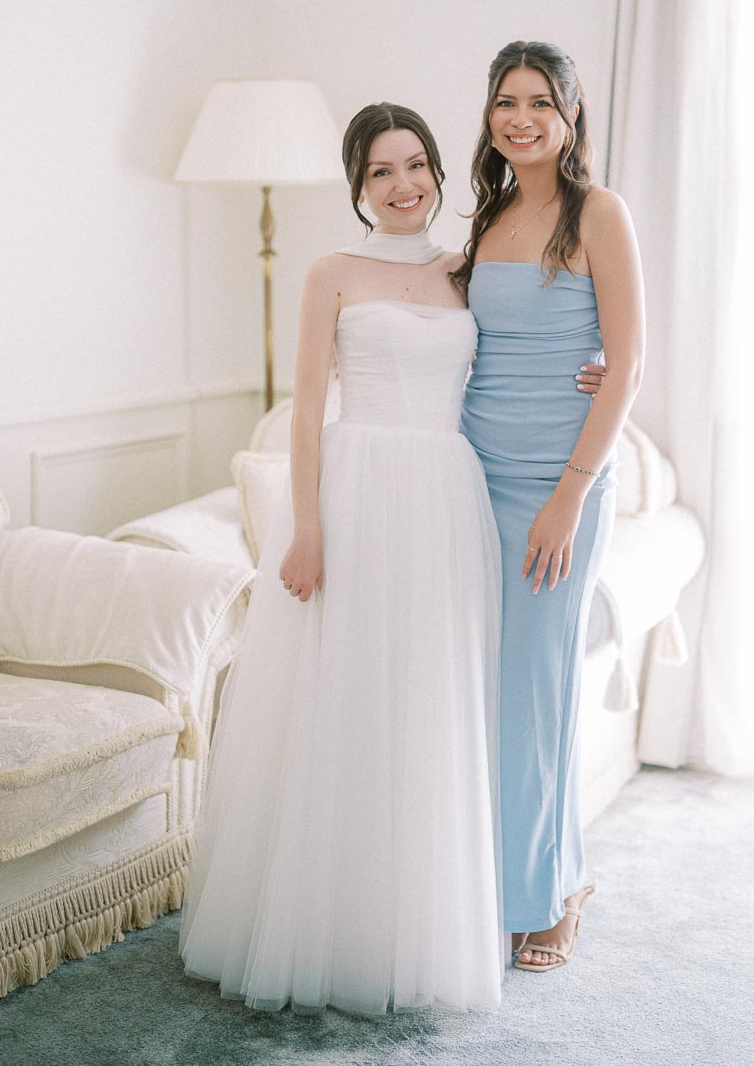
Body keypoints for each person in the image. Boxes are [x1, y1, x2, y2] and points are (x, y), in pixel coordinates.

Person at [179, 103, 506, 1015]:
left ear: (438, 169)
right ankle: (321, 927)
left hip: (443, 497)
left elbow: (517, 365)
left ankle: (409, 926)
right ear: (359, 187)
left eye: (417, 164)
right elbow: (308, 408)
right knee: (344, 698)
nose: (404, 185)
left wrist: (590, 370)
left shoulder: (470, 270)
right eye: (381, 172)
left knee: (425, 701)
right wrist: (307, 528)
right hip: (357, 491)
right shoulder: (331, 271)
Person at [456, 40, 645, 971]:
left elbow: (629, 363)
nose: (521, 118)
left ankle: (554, 891)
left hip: (557, 484)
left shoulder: (598, 213)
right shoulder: (485, 218)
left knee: (539, 689)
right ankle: (502, 881)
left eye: (540, 102)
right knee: (486, 694)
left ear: (570, 118)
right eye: (506, 100)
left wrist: (570, 494)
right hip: (474, 477)